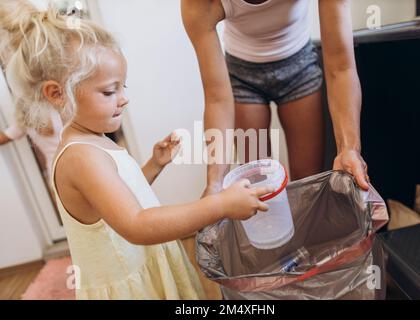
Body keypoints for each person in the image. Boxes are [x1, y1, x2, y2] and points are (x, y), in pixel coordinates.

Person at [1, 0, 273, 300]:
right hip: (130, 286)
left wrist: (153, 166)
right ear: (56, 93)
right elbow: (135, 224)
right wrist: (220, 205)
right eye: (109, 91)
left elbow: (117, 198)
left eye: (123, 88)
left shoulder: (94, 139)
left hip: (143, 264)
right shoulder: (80, 156)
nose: (123, 99)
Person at [181, 0, 370, 198]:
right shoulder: (198, 4)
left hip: (299, 66)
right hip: (242, 75)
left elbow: (341, 68)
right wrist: (215, 183)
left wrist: (349, 149)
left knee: (309, 184)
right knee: (257, 185)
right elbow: (217, 99)